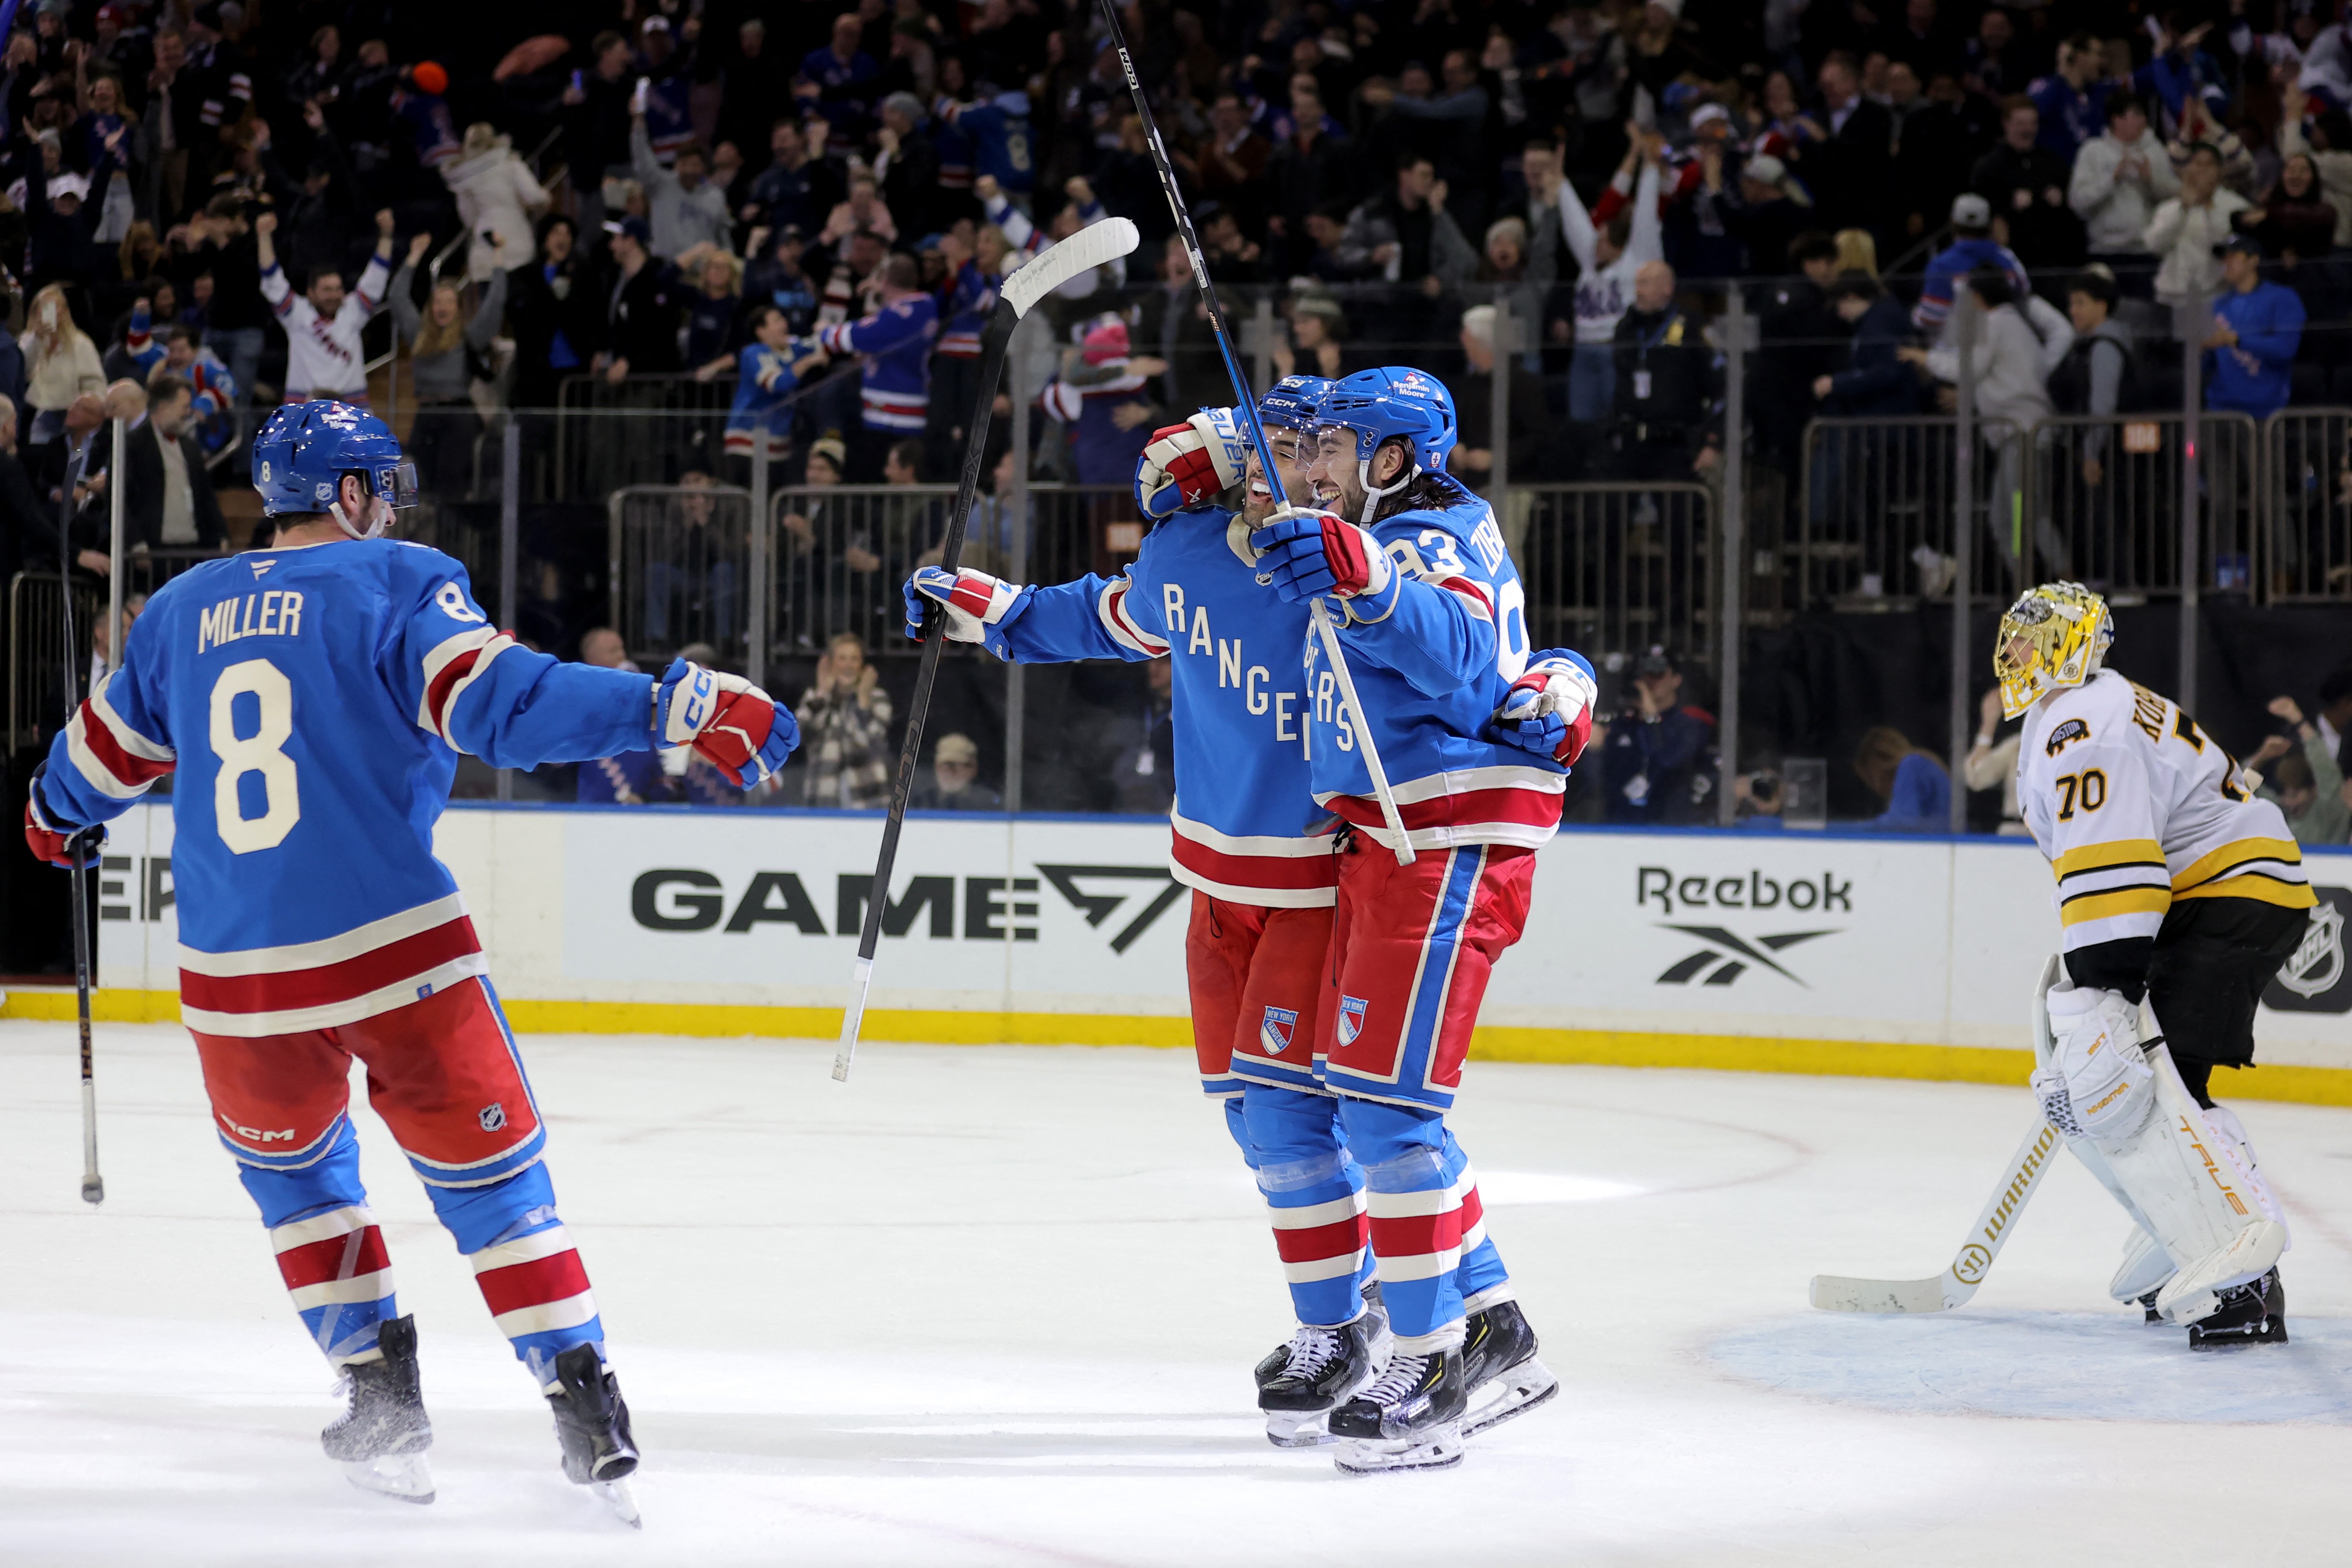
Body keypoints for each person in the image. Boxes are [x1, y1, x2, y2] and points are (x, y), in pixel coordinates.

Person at [22, 400, 796, 1512]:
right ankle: (587, 1411)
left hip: (238, 984)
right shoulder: (396, 578)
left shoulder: (178, 611)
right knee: (495, 1190)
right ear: (348, 493)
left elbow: (85, 776)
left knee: (298, 1189)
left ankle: (384, 1408)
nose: (389, 500)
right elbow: (504, 707)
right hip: (397, 955)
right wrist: (667, 708)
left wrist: (56, 818)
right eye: (377, 482)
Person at [904, 375, 1415, 1452]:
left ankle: (1337, 1329)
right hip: (1214, 888)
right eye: (1268, 439)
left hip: (1312, 887)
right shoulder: (1182, 557)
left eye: (1299, 442)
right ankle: (1362, 1293)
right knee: (1246, 1116)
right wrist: (977, 604)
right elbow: (1096, 617)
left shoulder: (1331, 561)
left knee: (1290, 1118)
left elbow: (1411, 624)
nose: (1286, 459)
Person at [1250, 366, 1587, 1473]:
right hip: (1389, 844)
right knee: (1373, 1106)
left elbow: (1460, 658)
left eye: (1332, 449)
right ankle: (1491, 1326)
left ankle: (1430, 1364)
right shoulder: (1377, 529)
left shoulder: (1431, 536)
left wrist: (1369, 582)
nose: (1310, 469)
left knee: (1390, 1112)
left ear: (1392, 460)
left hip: (1437, 843)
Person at [1997, 582, 2313, 1348]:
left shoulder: (2081, 720)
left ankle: (2238, 1269)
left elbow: (2118, 861)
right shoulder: (2079, 713)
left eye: (2032, 639)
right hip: (2225, 892)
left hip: (2228, 893)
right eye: (2011, 637)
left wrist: (2104, 975)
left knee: (2135, 1080)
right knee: (2121, 1081)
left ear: (2071, 646)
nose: (2013, 653)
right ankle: (2189, 1227)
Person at [390, 232, 506, 500]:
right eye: (438, 301)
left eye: (449, 301)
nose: (443, 307)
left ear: (458, 307)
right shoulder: (419, 334)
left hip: (458, 414)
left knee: (449, 479)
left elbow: (496, 301)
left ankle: (450, 533)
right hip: (426, 412)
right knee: (416, 479)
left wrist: (498, 255)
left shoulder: (469, 336)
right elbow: (397, 297)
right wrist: (415, 254)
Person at [1560, 137, 1663, 424]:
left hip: (1615, 349)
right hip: (1583, 351)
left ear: (1618, 245)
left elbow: (1645, 213)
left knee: (1617, 418)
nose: (1595, 245)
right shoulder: (1590, 263)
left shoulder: (1636, 259)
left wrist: (1651, 168)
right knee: (1581, 422)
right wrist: (1561, 182)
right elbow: (1574, 219)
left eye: (1603, 242)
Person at [814, 253, 938, 480]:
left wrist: (824, 330)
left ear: (886, 281)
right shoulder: (925, 305)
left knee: (878, 481)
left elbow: (851, 338)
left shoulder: (900, 316)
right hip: (896, 412)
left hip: (892, 417)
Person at [257, 207, 393, 405]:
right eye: (327, 290)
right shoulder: (297, 313)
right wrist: (264, 236)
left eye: (338, 289)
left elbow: (377, 276)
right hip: (305, 407)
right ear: (311, 293)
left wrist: (387, 235)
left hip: (351, 407)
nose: (334, 295)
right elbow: (272, 278)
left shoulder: (353, 310)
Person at [2069, 93, 2177, 293]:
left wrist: (2151, 180)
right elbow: (2078, 202)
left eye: (2143, 115)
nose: (2142, 121)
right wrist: (2113, 179)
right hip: (2105, 252)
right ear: (2116, 119)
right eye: (2135, 115)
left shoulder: (2156, 151)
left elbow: (2175, 197)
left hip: (2147, 252)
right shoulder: (2092, 151)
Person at [1598, 647, 1713, 825]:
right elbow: (1603, 777)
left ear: (1676, 680)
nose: (1649, 682)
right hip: (1619, 825)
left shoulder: (1689, 726)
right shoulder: (1623, 725)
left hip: (1669, 826)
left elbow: (1667, 762)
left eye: (1658, 674)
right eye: (1645, 675)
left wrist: (1651, 719)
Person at [2147, 144, 2248, 340]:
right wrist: (2184, 209)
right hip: (2173, 298)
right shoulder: (2170, 208)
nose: (2202, 170)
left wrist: (2208, 208)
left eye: (2209, 165)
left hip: (2218, 297)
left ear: (2220, 170)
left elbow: (2230, 249)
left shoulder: (2235, 206)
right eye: (2197, 164)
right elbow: (2155, 245)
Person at [2202, 233, 2305, 421]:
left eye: (2233, 257)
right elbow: (2208, 362)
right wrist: (2200, 349)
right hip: (2220, 408)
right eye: (2224, 258)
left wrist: (2236, 340)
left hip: (2265, 411)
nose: (2226, 263)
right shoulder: (2219, 304)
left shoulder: (2282, 298)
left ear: (2253, 261)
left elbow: (2286, 348)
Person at [120, 372, 225, 550]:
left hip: (191, 551)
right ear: (164, 407)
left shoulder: (190, 447)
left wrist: (221, 535)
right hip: (152, 552)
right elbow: (121, 499)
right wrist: (136, 542)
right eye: (184, 407)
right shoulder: (132, 445)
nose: (188, 413)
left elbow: (206, 496)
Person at [796, 631, 894, 807]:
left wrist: (863, 701)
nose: (848, 665)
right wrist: (823, 694)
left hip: (869, 800)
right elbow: (799, 735)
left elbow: (875, 741)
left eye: (854, 659)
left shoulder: (877, 698)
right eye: (842, 659)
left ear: (862, 664)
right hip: (822, 800)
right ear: (831, 663)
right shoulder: (814, 698)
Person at [2247, 696, 2349, 845]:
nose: (2289, 802)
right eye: (2285, 795)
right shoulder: (2279, 813)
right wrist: (2260, 758)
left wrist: (2298, 721)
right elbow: (2240, 792)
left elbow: (2326, 772)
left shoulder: (2329, 812)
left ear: (2313, 790)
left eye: (2295, 795)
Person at [1853, 726, 1951, 829]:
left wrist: (1857, 829)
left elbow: (1901, 822)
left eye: (1872, 779)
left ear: (1882, 762)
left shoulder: (1912, 765)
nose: (1877, 789)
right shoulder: (1927, 764)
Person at [908, 731, 1000, 810]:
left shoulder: (988, 803)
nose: (950, 772)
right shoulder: (919, 801)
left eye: (956, 765)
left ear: (973, 768)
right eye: (945, 765)